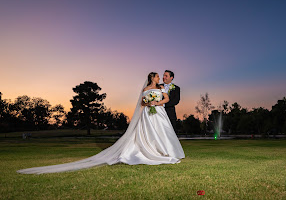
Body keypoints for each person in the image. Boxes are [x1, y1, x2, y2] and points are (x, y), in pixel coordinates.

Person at [17, 72, 185, 174]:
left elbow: (168, 98)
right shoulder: (146, 90)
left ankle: (165, 151)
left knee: (163, 132)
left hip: (158, 112)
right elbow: (141, 103)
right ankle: (151, 151)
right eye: (158, 75)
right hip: (149, 113)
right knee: (150, 133)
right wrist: (149, 103)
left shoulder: (162, 88)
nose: (160, 77)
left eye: (161, 76)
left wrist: (157, 103)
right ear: (152, 78)